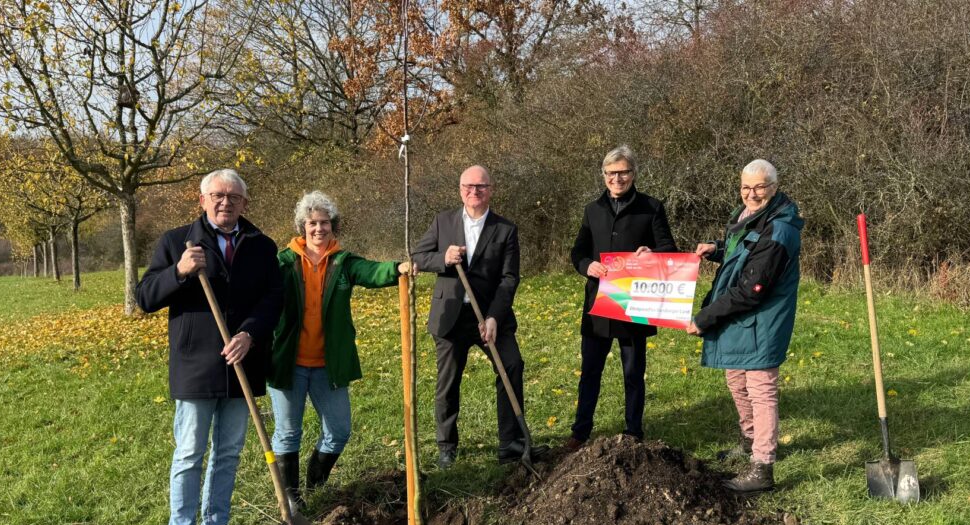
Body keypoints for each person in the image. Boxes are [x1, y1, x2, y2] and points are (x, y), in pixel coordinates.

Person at [136, 169, 282, 525]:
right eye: (217, 196)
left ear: (245, 204)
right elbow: (144, 298)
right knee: (189, 455)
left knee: (229, 452)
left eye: (234, 197)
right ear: (202, 200)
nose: (225, 203)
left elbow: (274, 298)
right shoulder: (176, 242)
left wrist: (250, 334)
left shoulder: (261, 246)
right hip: (196, 367)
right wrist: (178, 271)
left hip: (243, 365)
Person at [267, 191, 409, 502]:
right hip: (287, 362)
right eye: (312, 223)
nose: (319, 229)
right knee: (288, 433)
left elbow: (372, 271)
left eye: (325, 223)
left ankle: (315, 486)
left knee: (339, 431)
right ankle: (291, 498)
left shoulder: (344, 263)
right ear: (302, 226)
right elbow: (255, 287)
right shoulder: (283, 262)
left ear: (334, 226)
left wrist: (398, 268)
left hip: (327, 365)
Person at [412, 165, 545, 469]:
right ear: (460, 189)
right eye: (468, 186)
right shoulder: (442, 221)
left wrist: (494, 317)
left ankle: (510, 442)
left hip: (489, 317)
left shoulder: (505, 229)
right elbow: (418, 256)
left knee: (511, 364)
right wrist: (442, 259)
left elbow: (509, 278)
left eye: (481, 187)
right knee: (448, 382)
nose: (475, 192)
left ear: (491, 190)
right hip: (451, 317)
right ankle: (447, 446)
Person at [687, 159, 805, 493]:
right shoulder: (751, 217)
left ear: (775, 186)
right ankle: (751, 438)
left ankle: (762, 467)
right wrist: (717, 250)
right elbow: (744, 251)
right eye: (745, 187)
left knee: (760, 387)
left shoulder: (780, 229)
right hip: (743, 316)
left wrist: (705, 318)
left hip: (762, 316)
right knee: (735, 378)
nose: (751, 194)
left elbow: (752, 288)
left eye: (759, 187)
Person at [566, 145, 678, 450]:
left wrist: (652, 253)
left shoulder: (651, 207)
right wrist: (586, 265)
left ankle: (633, 431)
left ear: (634, 173)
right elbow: (578, 251)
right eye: (612, 173)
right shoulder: (592, 210)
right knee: (590, 370)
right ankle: (580, 433)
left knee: (633, 372)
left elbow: (668, 247)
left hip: (634, 302)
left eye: (624, 172)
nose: (618, 178)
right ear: (603, 176)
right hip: (598, 304)